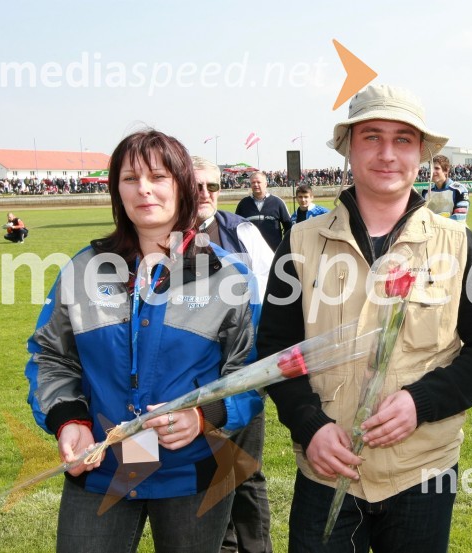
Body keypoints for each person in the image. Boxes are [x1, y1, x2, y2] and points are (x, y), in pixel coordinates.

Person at [257, 84, 472, 552]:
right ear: (348, 149)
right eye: (371, 137)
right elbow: (276, 352)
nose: (387, 153)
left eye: (403, 139)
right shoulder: (299, 243)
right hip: (326, 469)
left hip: (422, 472)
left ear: (421, 154)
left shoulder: (458, 243)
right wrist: (307, 424)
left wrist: (423, 402)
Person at [26, 130, 264, 552]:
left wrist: (204, 415)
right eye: (130, 178)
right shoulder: (83, 268)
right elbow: (51, 357)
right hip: (99, 468)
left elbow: (251, 373)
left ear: (182, 186)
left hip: (193, 473)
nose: (144, 189)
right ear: (117, 190)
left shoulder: (229, 275)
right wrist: (68, 419)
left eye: (158, 176)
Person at [193, 156, 274, 553]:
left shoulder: (240, 232)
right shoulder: (158, 236)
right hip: (184, 385)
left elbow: (277, 293)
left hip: (241, 377)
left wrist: (255, 371)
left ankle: (256, 548)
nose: (205, 194)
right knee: (204, 474)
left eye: (212, 186)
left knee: (242, 471)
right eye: (196, 186)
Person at [235, 171, 292, 250]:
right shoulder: (243, 204)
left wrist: (284, 246)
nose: (255, 185)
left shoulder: (278, 202)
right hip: (251, 251)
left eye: (258, 182)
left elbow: (288, 226)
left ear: (265, 184)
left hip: (274, 251)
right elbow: (237, 227)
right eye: (253, 182)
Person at [421, 154, 470, 222]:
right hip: (431, 232)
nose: (432, 172)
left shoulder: (459, 190)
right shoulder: (426, 192)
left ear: (446, 170)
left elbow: (459, 217)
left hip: (453, 231)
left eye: (437, 168)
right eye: (431, 168)